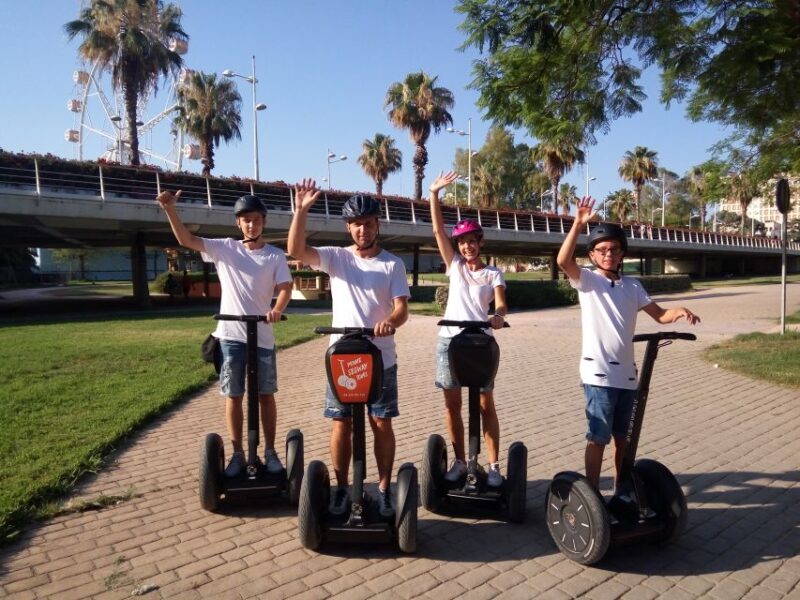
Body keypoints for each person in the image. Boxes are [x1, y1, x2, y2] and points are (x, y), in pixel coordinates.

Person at [557, 197, 700, 494]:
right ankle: (593, 496)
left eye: (614, 249)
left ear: (622, 253)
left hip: (627, 374)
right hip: (598, 373)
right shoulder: (587, 281)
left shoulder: (632, 286)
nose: (609, 254)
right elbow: (563, 261)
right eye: (602, 249)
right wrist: (577, 224)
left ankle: (622, 490)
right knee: (598, 436)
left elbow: (659, 315)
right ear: (593, 254)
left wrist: (680, 310)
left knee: (624, 437)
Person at [287, 179, 409, 518]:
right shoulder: (336, 258)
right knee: (340, 423)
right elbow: (297, 250)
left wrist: (390, 321)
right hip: (342, 359)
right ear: (349, 227)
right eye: (357, 224)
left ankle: (384, 489)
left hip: (380, 356)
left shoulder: (392, 264)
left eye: (369, 224)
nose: (363, 230)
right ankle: (342, 488)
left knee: (381, 422)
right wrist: (301, 212)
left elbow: (402, 308)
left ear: (377, 225)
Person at [156, 190, 293, 478]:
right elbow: (186, 240)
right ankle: (237, 454)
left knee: (266, 395)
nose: (251, 226)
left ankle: (269, 451)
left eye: (256, 220)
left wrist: (277, 309)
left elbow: (284, 288)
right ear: (238, 224)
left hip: (263, 336)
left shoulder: (275, 256)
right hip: (231, 335)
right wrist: (170, 210)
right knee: (234, 395)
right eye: (246, 221)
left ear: (263, 222)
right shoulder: (225, 248)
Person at [428, 171, 508, 487]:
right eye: (462, 242)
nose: (467, 247)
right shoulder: (455, 267)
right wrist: (434, 194)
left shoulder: (493, 274)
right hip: (450, 341)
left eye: (472, 242)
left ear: (480, 242)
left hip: (480, 343)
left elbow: (500, 304)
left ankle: (494, 464)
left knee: (486, 403)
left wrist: (498, 317)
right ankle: (460, 461)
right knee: (453, 404)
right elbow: (437, 229)